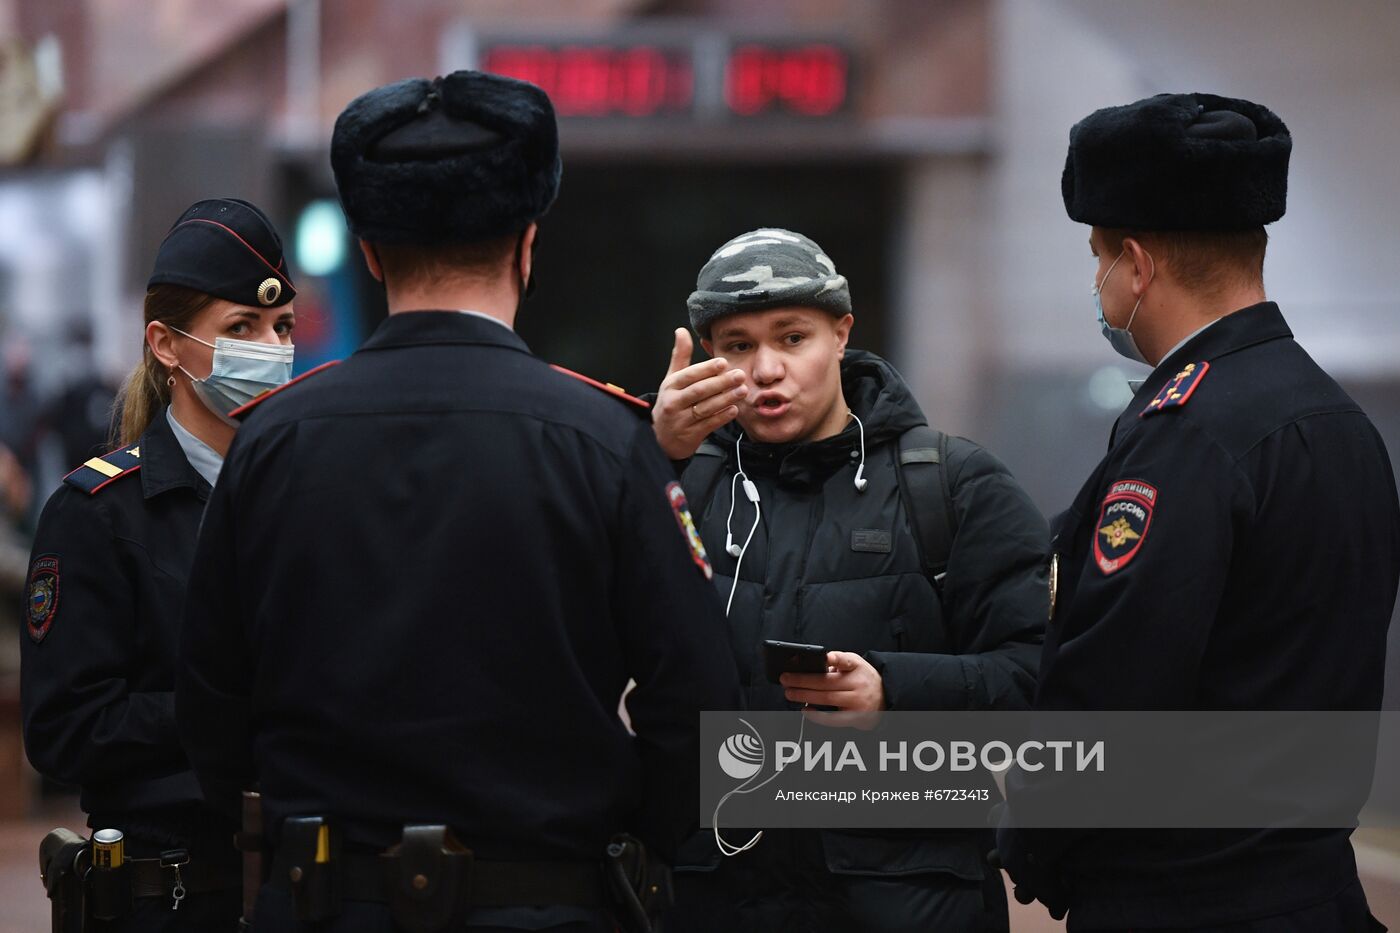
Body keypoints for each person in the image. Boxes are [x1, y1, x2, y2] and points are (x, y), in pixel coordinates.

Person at [175, 71, 743, 933]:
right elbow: (698, 705)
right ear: (527, 242)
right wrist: (625, 844)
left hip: (329, 903)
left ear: (367, 249)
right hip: (549, 901)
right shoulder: (603, 439)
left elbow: (210, 706)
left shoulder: (271, 442)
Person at [996, 93, 1399, 931]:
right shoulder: (1340, 420)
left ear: (1137, 266)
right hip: (1316, 889)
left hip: (1181, 900)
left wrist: (1030, 841)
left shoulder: (1186, 435)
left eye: (1099, 256)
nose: (1098, 280)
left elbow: (1115, 683)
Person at [649, 227, 1050, 932]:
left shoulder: (953, 485)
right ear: (709, 354)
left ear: (842, 333)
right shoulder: (682, 485)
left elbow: (1037, 678)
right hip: (717, 898)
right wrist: (651, 463)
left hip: (914, 904)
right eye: (738, 344)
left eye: (792, 336)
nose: (766, 368)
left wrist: (892, 688)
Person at [21, 197, 299, 931]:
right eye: (240, 328)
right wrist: (222, 704)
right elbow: (64, 726)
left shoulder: (309, 495)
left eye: (281, 327)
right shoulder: (99, 511)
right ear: (166, 345)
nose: (270, 348)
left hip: (301, 887)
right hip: (168, 894)